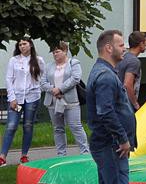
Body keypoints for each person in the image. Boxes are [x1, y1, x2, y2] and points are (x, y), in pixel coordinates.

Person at [87, 30, 141, 184]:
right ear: (108, 48)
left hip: (105, 143)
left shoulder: (103, 72)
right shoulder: (106, 77)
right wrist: (122, 139)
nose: (124, 48)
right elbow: (106, 111)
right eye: (120, 45)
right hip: (111, 145)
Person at [40, 41, 89, 157]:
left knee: (75, 126)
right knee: (58, 128)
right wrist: (53, 90)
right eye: (53, 52)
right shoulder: (48, 66)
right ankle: (61, 154)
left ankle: (85, 152)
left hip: (70, 101)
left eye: (57, 51)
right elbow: (42, 83)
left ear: (65, 51)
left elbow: (75, 78)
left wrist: (60, 89)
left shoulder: (74, 63)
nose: (55, 54)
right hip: (53, 101)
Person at [3, 37, 45, 166]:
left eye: (24, 44)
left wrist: (38, 88)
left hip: (32, 98)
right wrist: (12, 98)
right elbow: (9, 79)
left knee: (28, 126)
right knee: (11, 126)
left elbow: (42, 77)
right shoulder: (14, 60)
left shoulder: (38, 60)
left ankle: (24, 155)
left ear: (30, 45)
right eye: (20, 44)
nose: (22, 46)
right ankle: (2, 156)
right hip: (17, 99)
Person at [115, 31, 146, 112]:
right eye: (145, 43)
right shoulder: (134, 61)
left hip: (116, 101)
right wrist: (135, 104)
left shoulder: (123, 57)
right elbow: (127, 84)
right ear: (140, 44)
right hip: (126, 104)